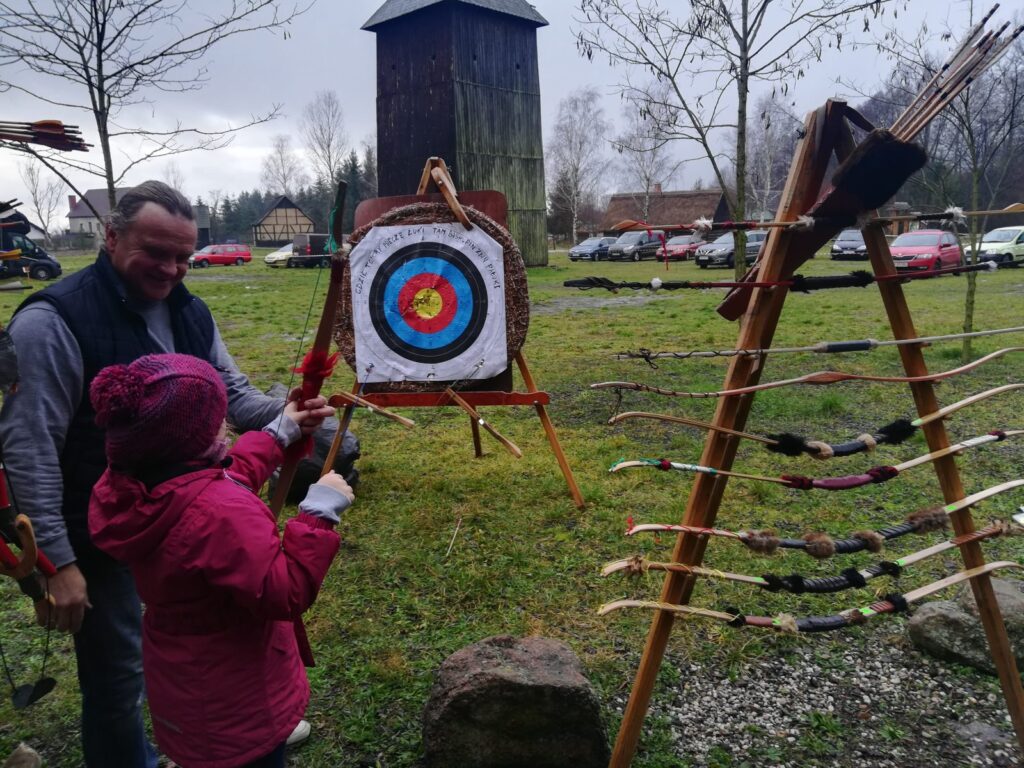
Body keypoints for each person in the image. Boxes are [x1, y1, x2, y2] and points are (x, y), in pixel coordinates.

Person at [0, 181, 335, 766]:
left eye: (184, 255)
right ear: (111, 235)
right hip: (98, 529)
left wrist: (283, 419)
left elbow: (230, 396)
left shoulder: (186, 307)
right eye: (156, 252)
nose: (174, 268)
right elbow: (29, 448)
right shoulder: (52, 322)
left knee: (190, 641)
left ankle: (239, 730)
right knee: (115, 676)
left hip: (179, 521)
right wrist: (56, 564)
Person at [87, 353, 351, 768]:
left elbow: (230, 472)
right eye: (218, 419)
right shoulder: (219, 511)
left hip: (187, 694)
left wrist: (278, 432)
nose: (227, 424)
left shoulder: (141, 484)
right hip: (242, 700)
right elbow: (284, 591)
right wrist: (318, 512)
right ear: (195, 437)